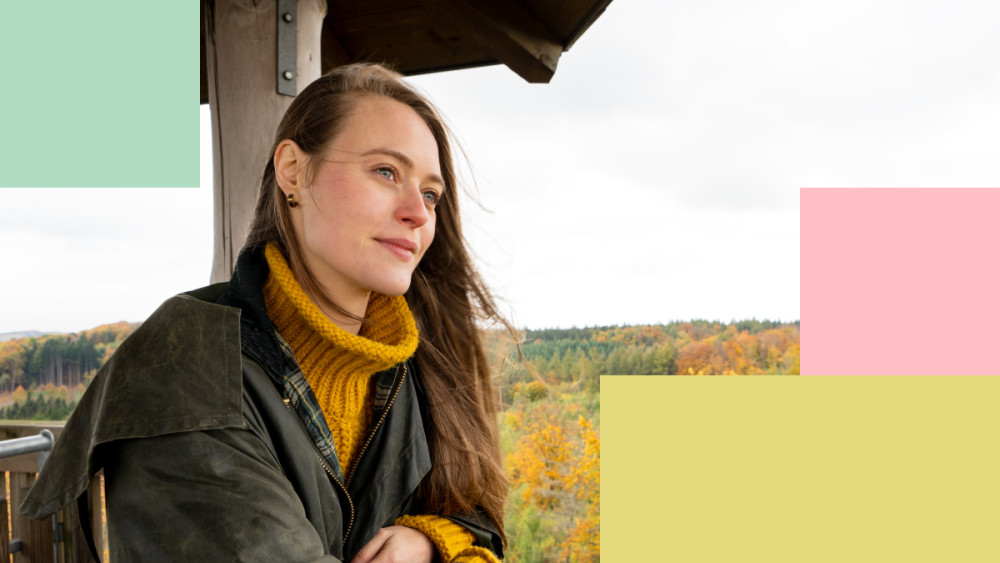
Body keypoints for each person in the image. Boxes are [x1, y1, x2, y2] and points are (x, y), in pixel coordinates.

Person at [22, 63, 511, 562]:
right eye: (386, 171)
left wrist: (432, 541)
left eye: (431, 193)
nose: (419, 212)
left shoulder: (411, 369)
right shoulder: (187, 372)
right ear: (294, 172)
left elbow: (477, 523)